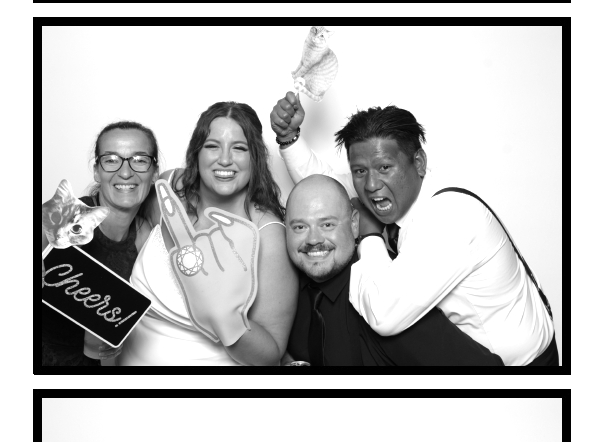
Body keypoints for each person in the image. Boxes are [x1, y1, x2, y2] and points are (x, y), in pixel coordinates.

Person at [271, 94, 559, 370]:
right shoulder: (396, 190)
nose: (371, 184)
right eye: (359, 171)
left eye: (384, 167)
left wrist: (369, 236)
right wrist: (289, 139)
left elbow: (383, 314)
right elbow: (326, 192)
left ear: (418, 163)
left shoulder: (450, 217)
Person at [118, 102, 298, 368]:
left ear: (255, 157)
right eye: (213, 146)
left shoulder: (267, 235)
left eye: (239, 148)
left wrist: (225, 317)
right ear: (197, 152)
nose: (224, 159)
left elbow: (270, 356)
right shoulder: (170, 188)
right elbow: (124, 232)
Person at [283, 173, 503, 370]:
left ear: (354, 224)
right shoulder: (287, 291)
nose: (313, 239)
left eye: (327, 225)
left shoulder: (387, 298)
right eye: (300, 227)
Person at [41, 120, 158, 370]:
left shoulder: (145, 235)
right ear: (97, 171)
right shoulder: (66, 215)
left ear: (154, 173)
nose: (125, 172)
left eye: (139, 160)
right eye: (111, 159)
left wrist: (116, 336)